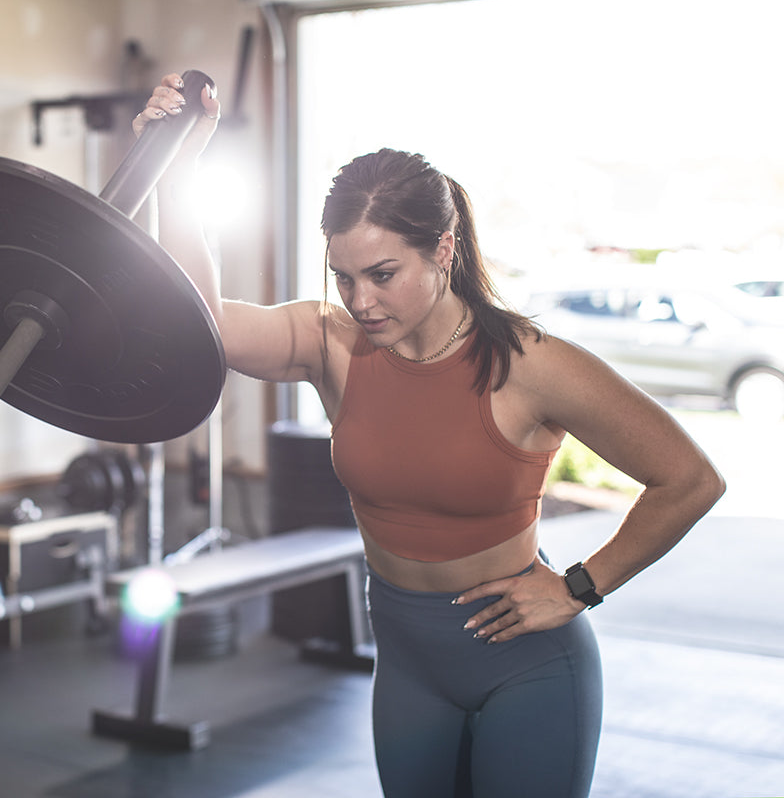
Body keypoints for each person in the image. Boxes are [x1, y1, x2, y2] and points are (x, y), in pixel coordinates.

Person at [135, 73, 726, 798]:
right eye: (343, 277)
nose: (360, 300)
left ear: (443, 248)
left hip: (528, 668)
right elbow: (206, 325)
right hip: (409, 668)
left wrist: (579, 586)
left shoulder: (531, 365)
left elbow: (690, 479)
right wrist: (177, 168)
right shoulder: (331, 344)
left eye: (382, 274)